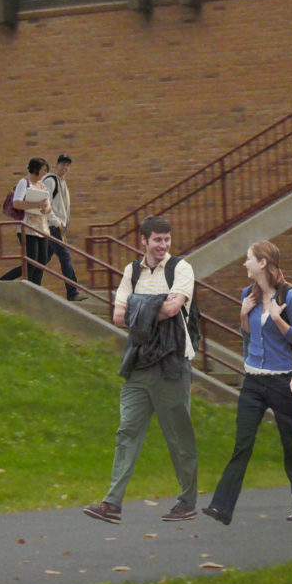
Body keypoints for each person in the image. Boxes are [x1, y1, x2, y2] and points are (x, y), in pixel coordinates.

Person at [84, 215, 198, 522]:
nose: (163, 245)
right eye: (157, 240)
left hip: (172, 365)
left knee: (177, 436)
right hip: (138, 365)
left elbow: (174, 308)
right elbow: (118, 316)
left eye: (167, 239)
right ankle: (111, 503)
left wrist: (139, 304)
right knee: (127, 431)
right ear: (143, 241)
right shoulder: (131, 271)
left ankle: (187, 501)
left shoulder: (181, 269)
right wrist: (154, 304)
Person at [204, 240, 292, 524]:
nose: (244, 264)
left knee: (291, 444)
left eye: (248, 258)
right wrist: (242, 316)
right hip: (252, 381)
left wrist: (279, 320)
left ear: (263, 263)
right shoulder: (246, 294)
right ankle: (221, 507)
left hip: (283, 382)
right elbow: (250, 339)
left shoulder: (291, 297)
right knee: (242, 444)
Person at [10, 156, 58, 286]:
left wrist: (45, 208)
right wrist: (36, 205)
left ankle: (36, 286)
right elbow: (16, 203)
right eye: (43, 170)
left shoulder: (42, 186)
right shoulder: (24, 183)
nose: (45, 173)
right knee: (32, 261)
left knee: (42, 260)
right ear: (35, 169)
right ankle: (19, 284)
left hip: (41, 228)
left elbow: (48, 206)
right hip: (27, 227)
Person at [46, 152, 80, 298]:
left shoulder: (62, 183)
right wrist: (57, 223)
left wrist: (64, 225)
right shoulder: (51, 181)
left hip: (57, 227)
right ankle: (73, 292)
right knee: (65, 257)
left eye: (67, 165)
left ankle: (10, 279)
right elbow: (44, 204)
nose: (65, 167)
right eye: (62, 164)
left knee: (40, 260)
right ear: (57, 165)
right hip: (52, 226)